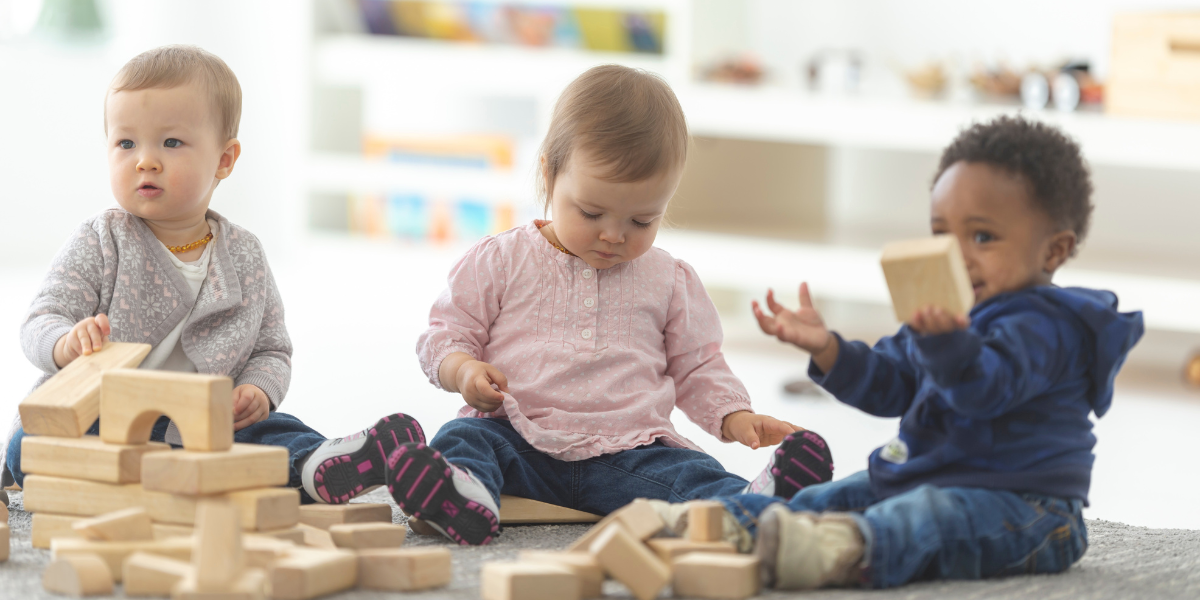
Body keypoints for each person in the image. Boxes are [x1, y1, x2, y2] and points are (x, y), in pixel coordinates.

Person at [388, 65, 833, 546]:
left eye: (642, 220)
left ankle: (753, 507)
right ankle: (458, 500)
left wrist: (734, 417)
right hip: (514, 436)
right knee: (463, 442)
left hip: (630, 452)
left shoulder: (669, 279)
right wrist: (463, 371)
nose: (614, 235)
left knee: (691, 475)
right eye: (591, 212)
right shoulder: (500, 259)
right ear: (548, 174)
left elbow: (698, 364)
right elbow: (444, 334)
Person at [696, 116, 1143, 589]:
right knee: (844, 492)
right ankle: (727, 524)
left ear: (1053, 252)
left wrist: (943, 344)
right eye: (942, 234)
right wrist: (828, 349)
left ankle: (837, 550)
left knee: (926, 518)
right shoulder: (945, 314)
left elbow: (985, 389)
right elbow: (891, 383)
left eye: (983, 237)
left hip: (1026, 508)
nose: (958, 255)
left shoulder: (1050, 326)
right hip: (928, 477)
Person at [3, 45, 423, 508]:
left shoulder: (243, 255)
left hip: (208, 424)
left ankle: (320, 463)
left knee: (276, 432)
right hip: (108, 414)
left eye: (171, 143)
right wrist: (66, 342)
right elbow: (42, 318)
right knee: (32, 443)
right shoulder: (102, 239)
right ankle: (209, 475)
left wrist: (258, 390)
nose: (145, 160)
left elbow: (271, 347)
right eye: (126, 143)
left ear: (224, 160)